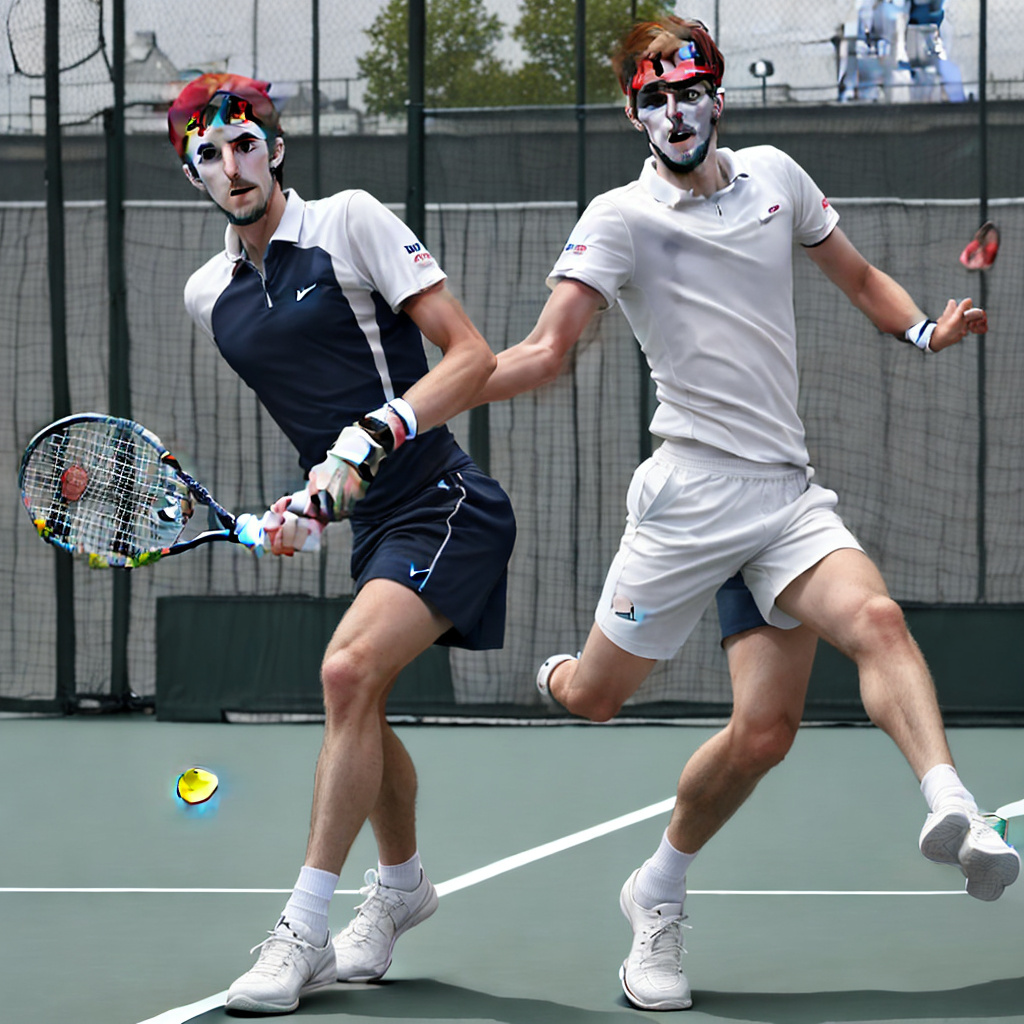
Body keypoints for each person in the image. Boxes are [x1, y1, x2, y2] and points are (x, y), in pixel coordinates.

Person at [475, 16, 1019, 1012]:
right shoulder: (618, 217)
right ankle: (558, 673)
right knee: (599, 697)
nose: (674, 111)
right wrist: (431, 402)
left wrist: (920, 330)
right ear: (631, 110)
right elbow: (549, 350)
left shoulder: (775, 176)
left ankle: (949, 812)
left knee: (821, 678)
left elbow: (855, 275)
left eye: (690, 91)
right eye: (654, 96)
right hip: (687, 497)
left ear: (717, 97)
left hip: (781, 493)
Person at [168, 73, 516, 1015]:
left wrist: (371, 438)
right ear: (193, 175)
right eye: (210, 154)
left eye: (246, 143)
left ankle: (302, 931)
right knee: (363, 702)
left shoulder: (349, 221)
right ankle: (402, 889)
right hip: (371, 520)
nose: (232, 165)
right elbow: (313, 420)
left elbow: (471, 356)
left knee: (345, 675)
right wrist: (305, 507)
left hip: (447, 499)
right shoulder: (211, 298)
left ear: (274, 149)